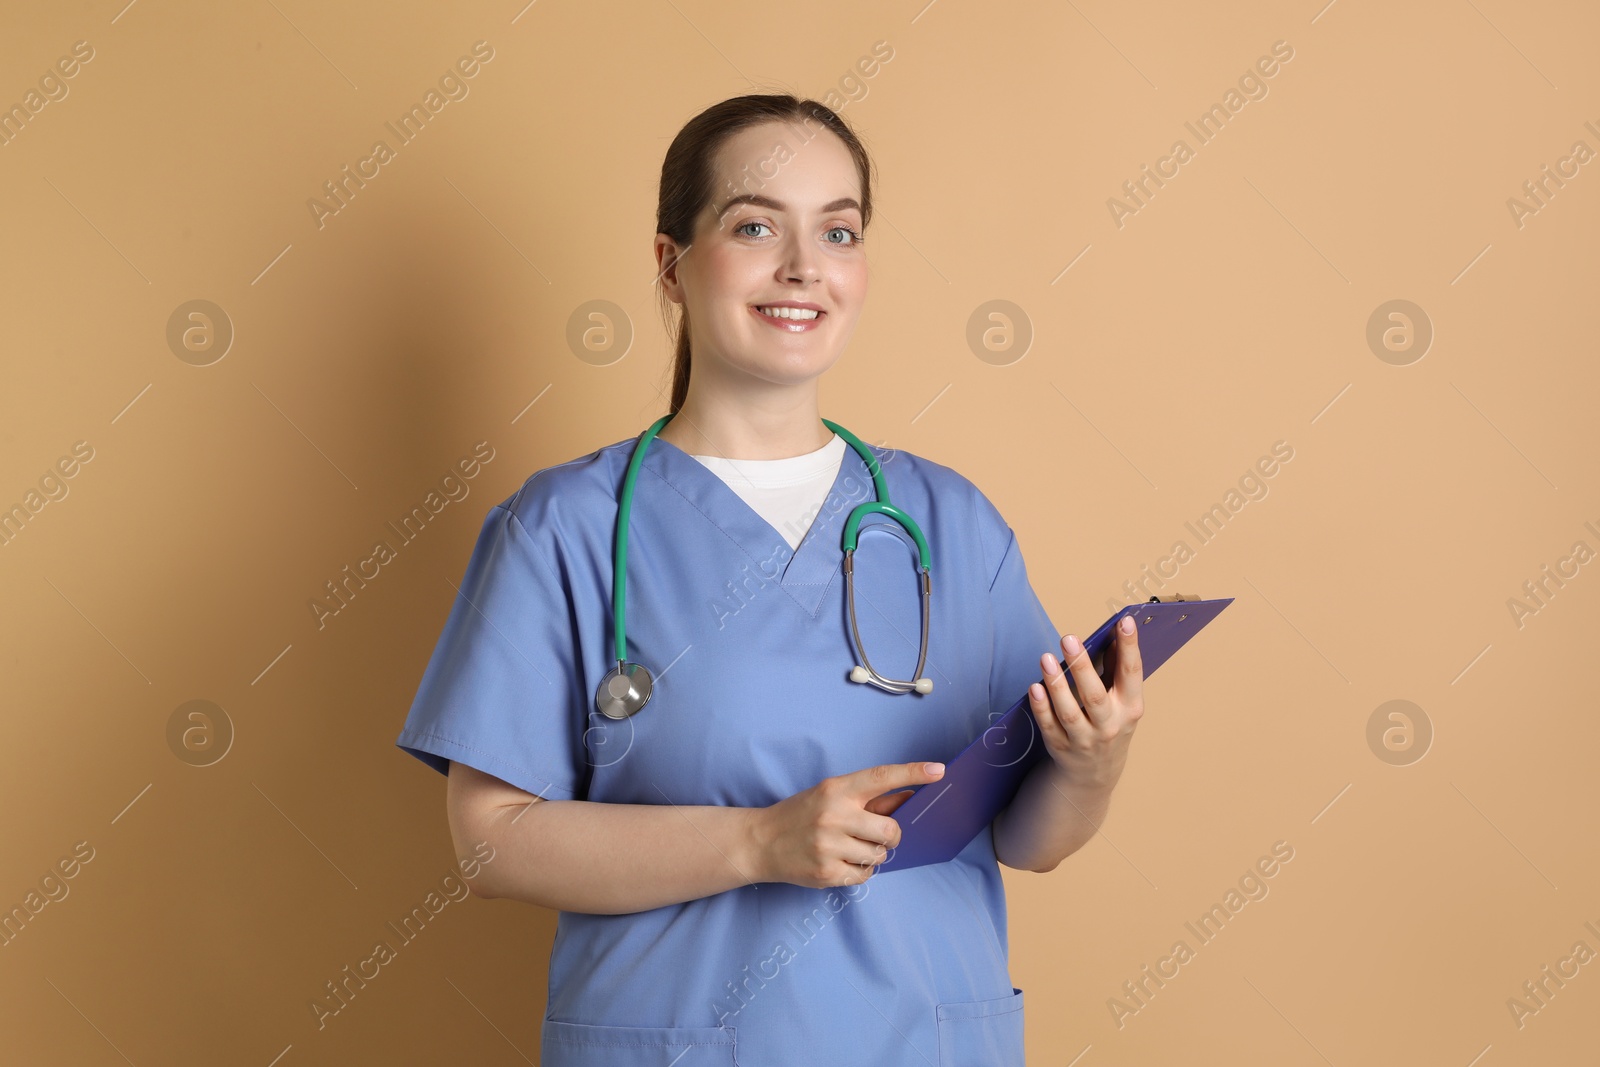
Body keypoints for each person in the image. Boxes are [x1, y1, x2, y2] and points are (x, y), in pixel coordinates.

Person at [395, 92, 1146, 1067]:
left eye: (838, 230)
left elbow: (1028, 838)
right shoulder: (565, 529)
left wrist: (1090, 765)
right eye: (755, 225)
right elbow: (488, 841)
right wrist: (758, 841)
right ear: (669, 262)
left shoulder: (950, 524)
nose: (804, 268)